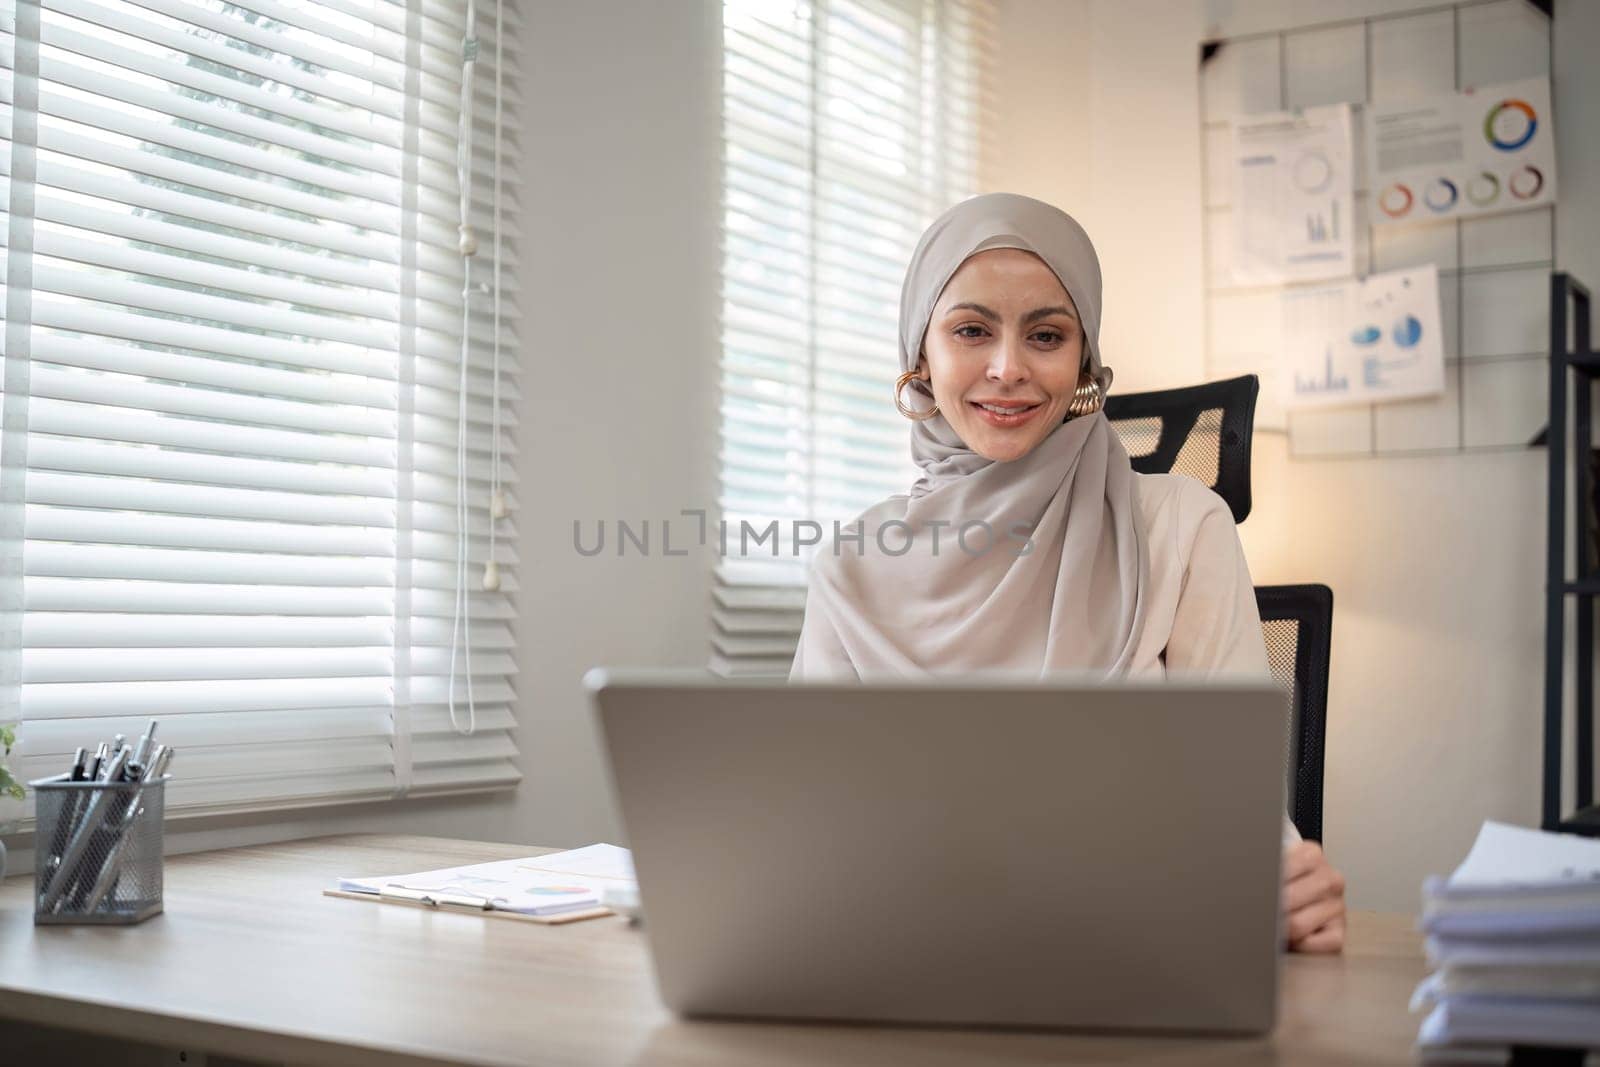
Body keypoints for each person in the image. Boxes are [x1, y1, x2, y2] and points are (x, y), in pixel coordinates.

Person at [788, 192, 1347, 953]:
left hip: (1135, 953)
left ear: (1083, 359)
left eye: (1046, 334)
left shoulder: (1181, 525)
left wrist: (1283, 885)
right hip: (913, 953)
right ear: (922, 355)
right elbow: (808, 814)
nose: (1008, 367)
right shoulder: (853, 562)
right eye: (971, 330)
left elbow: (1236, 797)